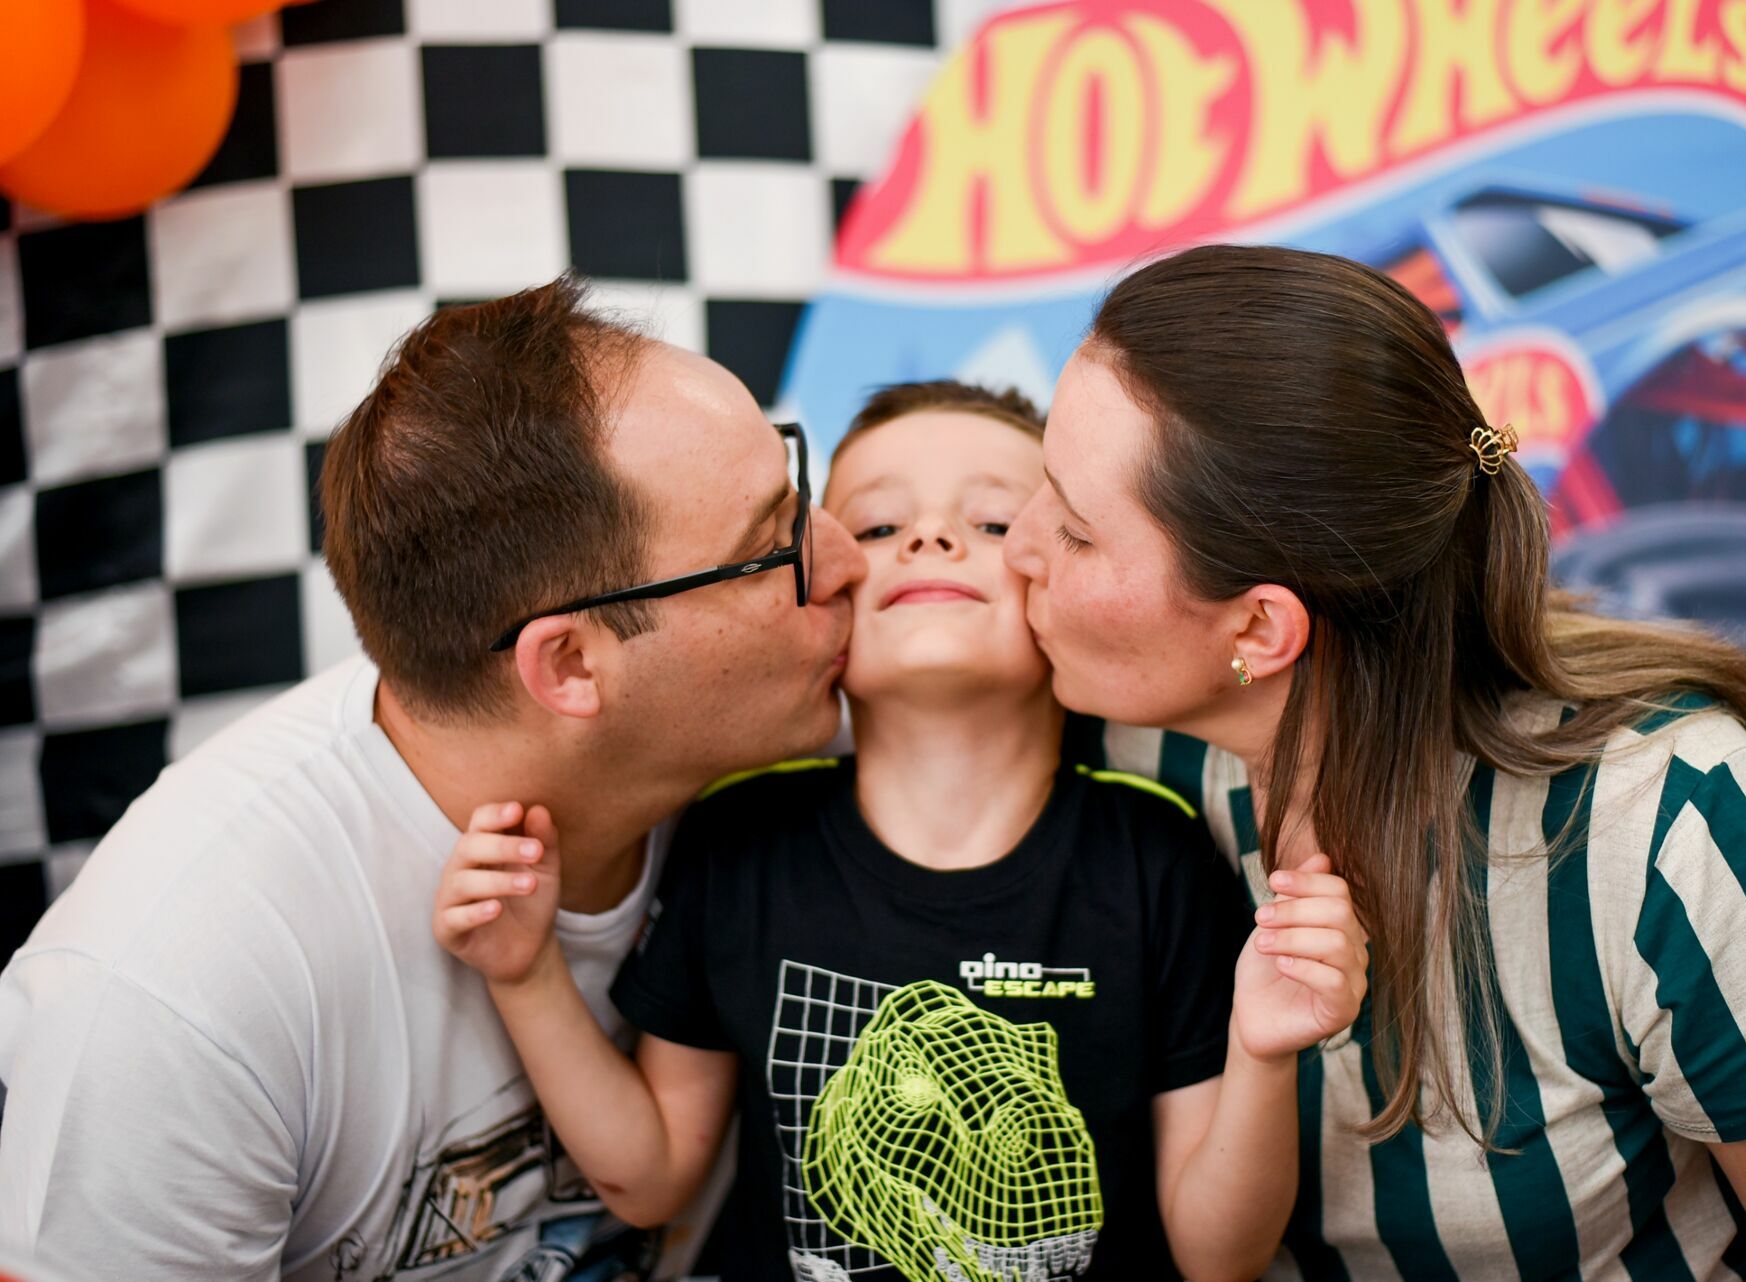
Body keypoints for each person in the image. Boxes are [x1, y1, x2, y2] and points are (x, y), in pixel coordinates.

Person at [1000, 243, 1746, 1281]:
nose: (1017, 547)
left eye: (1074, 533)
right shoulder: (1136, 767)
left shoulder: (1678, 826)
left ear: (1259, 630)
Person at [0, 275, 867, 1281]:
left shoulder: (840, 746)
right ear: (570, 665)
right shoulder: (176, 996)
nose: (845, 560)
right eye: (772, 546)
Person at [431, 381, 1372, 1282]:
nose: (929, 537)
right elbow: (654, 1180)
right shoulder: (740, 839)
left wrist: (1261, 1050)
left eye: (996, 524)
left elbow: (1222, 1259)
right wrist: (525, 975)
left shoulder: (1154, 853)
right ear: (826, 592)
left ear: (1061, 585)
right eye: (877, 527)